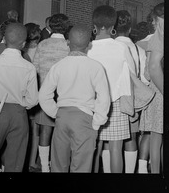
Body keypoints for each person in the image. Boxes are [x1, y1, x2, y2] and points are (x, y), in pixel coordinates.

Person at [39, 24, 110, 172]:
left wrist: (55, 113)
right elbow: (104, 98)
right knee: (81, 167)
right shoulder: (96, 67)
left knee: (58, 165)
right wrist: (97, 122)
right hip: (84, 118)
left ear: (67, 42)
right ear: (89, 44)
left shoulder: (58, 66)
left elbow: (44, 95)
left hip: (62, 117)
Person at [0, 23, 39, 172]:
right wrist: (21, 104)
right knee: (16, 160)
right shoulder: (29, 67)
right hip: (19, 113)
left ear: (4, 39)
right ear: (24, 44)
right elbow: (33, 99)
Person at [87, 5, 135, 173]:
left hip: (92, 104)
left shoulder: (87, 48)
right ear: (113, 26)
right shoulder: (121, 48)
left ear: (94, 25)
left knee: (93, 147)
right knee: (116, 149)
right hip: (116, 102)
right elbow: (133, 72)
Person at [33, 13, 70, 172]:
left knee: (45, 131)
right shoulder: (69, 45)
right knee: (63, 132)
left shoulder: (42, 45)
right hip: (64, 93)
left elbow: (35, 68)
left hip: (45, 92)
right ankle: (60, 166)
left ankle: (44, 167)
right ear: (66, 27)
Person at [114, 10, 149, 173]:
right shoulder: (137, 50)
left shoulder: (109, 47)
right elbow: (144, 78)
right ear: (129, 29)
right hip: (131, 98)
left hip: (111, 98)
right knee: (131, 136)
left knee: (109, 140)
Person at [138, 2, 164, 174]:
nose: (153, 23)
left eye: (154, 19)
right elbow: (153, 68)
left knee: (158, 137)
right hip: (161, 91)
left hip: (157, 91)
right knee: (157, 137)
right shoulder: (159, 37)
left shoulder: (157, 36)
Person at [23, 23, 42, 172]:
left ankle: (29, 160)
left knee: (31, 130)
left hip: (27, 92)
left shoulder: (22, 50)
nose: (35, 43)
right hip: (32, 92)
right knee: (33, 130)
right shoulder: (38, 50)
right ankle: (31, 161)